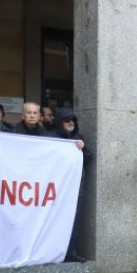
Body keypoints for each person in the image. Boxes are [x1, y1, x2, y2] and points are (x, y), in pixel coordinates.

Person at [46, 107, 90, 262]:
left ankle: (71, 252)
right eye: (66, 120)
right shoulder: (50, 137)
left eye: (73, 120)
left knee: (73, 221)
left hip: (75, 188)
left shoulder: (78, 137)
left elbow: (89, 158)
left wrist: (84, 148)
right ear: (59, 121)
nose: (70, 122)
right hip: (56, 189)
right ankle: (51, 252)